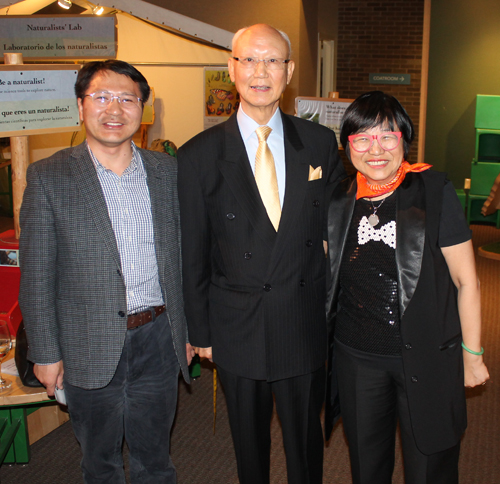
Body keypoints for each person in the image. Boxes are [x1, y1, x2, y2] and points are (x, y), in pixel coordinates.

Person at [177, 24, 345, 484]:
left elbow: (333, 231)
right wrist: (200, 329)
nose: (260, 71)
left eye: (272, 60)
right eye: (249, 60)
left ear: (288, 72)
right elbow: (192, 252)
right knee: (248, 448)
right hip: (237, 326)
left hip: (301, 319)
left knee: (305, 446)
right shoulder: (198, 156)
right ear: (232, 68)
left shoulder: (318, 144)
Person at [19, 60, 193, 484]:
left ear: (141, 109)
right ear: (80, 106)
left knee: (156, 459)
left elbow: (185, 259)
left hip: (158, 337)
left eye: (127, 99)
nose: (114, 109)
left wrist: (188, 332)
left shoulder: (167, 172)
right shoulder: (49, 177)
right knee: (100, 464)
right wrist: (45, 353)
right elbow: (36, 274)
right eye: (101, 97)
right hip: (86, 342)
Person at [325, 91, 490, 484]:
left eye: (387, 136)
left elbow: (467, 281)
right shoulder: (337, 200)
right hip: (358, 357)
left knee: (430, 466)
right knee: (367, 466)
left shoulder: (433, 190)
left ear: (404, 139)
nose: (375, 149)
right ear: (348, 146)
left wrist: (472, 355)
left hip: (428, 355)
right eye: (362, 138)